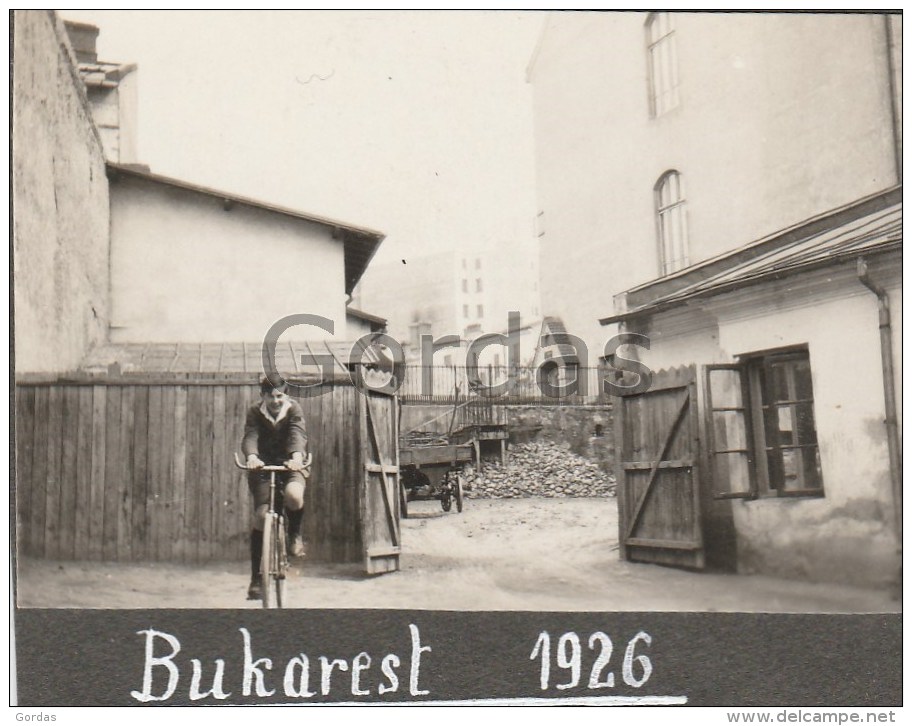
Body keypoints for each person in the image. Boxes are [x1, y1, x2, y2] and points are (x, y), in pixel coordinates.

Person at [242, 377, 308, 600]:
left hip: (291, 463)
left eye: (279, 396)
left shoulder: (293, 409)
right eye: (270, 396)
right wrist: (252, 457)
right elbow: (250, 435)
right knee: (261, 516)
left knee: (294, 495)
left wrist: (297, 457)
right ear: (263, 396)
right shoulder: (254, 412)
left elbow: (297, 434)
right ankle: (256, 579)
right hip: (262, 466)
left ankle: (294, 535)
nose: (275, 401)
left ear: (286, 395)